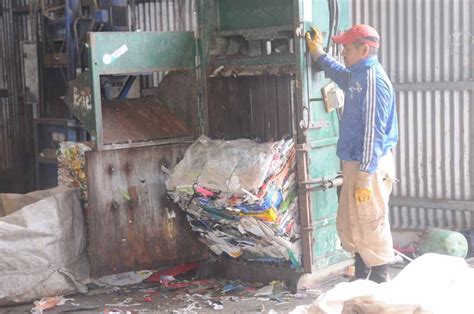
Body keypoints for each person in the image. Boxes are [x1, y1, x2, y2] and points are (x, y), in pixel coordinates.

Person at [305, 24, 399, 283]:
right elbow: (340, 75)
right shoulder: (358, 76)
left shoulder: (373, 81)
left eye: (347, 48)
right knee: (355, 223)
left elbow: (373, 133)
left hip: (370, 163)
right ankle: (361, 281)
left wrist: (365, 176)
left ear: (364, 49)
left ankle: (381, 284)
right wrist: (319, 55)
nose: (343, 52)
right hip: (357, 161)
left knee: (371, 223)